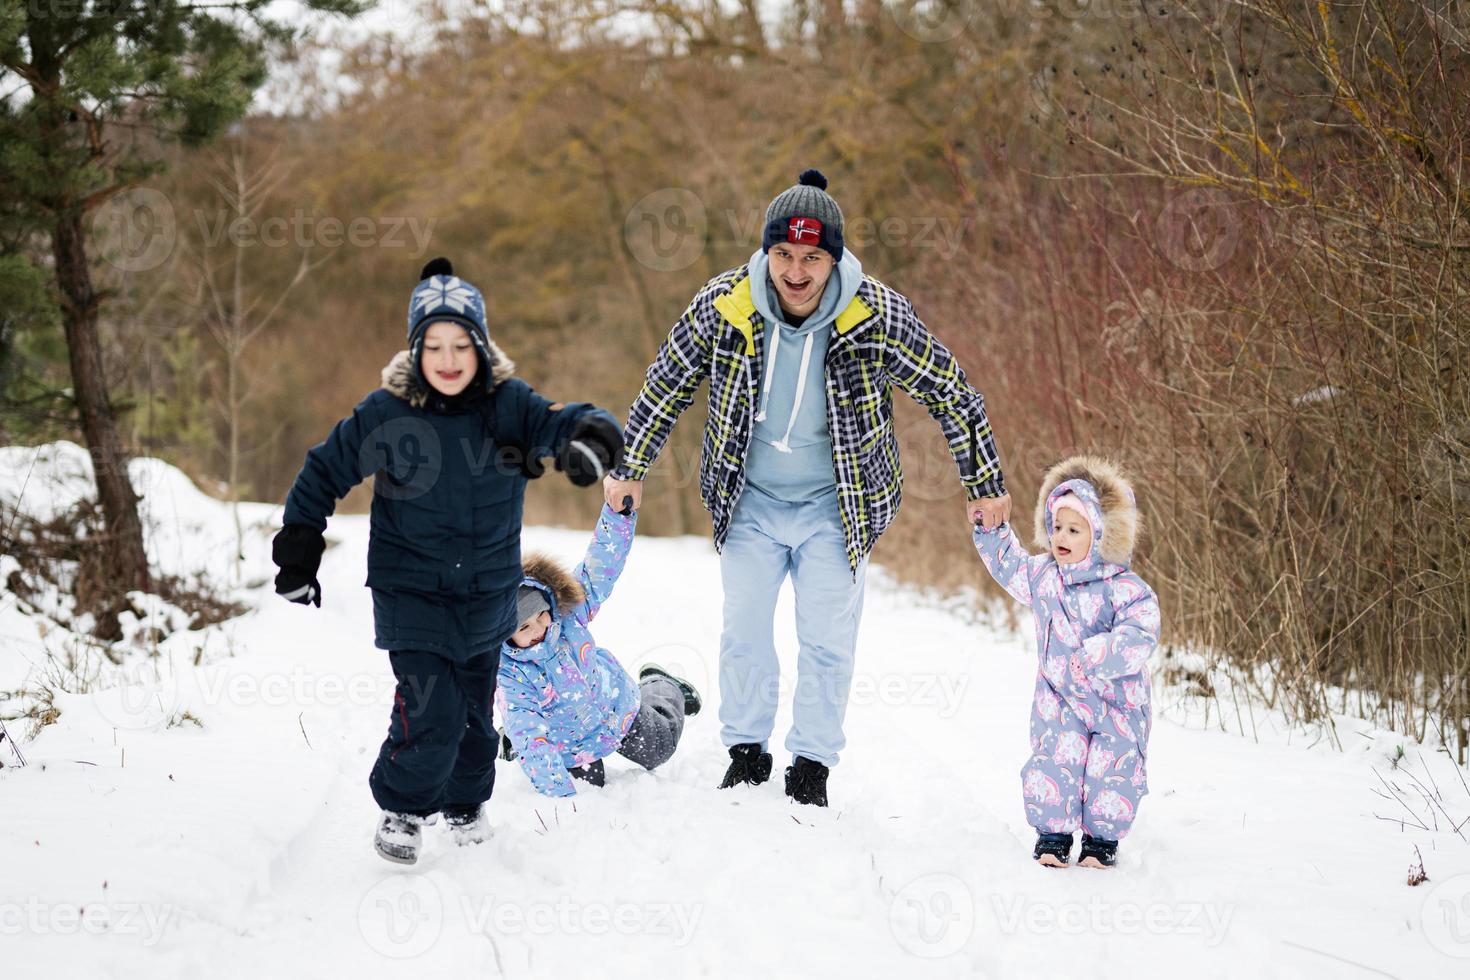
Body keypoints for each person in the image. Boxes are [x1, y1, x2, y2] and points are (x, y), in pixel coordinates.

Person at [604, 169, 1011, 806]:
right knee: (744, 631)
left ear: (835, 258)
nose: (796, 272)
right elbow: (666, 384)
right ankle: (745, 752)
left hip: (838, 507)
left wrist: (984, 482)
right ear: (767, 253)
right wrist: (629, 468)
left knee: (826, 638)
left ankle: (812, 766)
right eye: (784, 255)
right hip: (749, 502)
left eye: (812, 257)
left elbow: (951, 392)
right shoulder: (725, 305)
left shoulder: (873, 314)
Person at [271, 257, 624, 864]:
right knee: (430, 707)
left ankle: (465, 803)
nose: (449, 358)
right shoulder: (388, 413)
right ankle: (404, 809)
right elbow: (325, 468)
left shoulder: (506, 405)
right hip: (410, 594)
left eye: (462, 343)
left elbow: (557, 422)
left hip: (487, 594)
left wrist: (588, 436)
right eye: (434, 344)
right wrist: (300, 547)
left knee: (475, 717)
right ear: (415, 351)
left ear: (481, 347)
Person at [972, 456, 1160, 868]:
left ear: (1101, 535)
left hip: (1117, 706)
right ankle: (1053, 836)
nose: (1062, 536)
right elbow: (1010, 565)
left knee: (1112, 769)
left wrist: (1101, 653)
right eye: (1056, 526)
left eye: (1075, 530)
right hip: (1059, 700)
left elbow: (1141, 633)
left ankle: (1100, 842)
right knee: (1054, 760)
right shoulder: (1044, 577)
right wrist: (991, 530)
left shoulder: (1126, 588)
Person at [496, 501, 701, 797]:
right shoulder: (511, 675)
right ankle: (509, 742)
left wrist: (618, 515)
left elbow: (598, 569)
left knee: (659, 749)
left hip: (614, 710)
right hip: (568, 743)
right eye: (524, 628)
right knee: (587, 787)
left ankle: (662, 685)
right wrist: (562, 797)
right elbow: (529, 734)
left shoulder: (567, 616)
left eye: (540, 616)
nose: (539, 631)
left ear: (548, 604)